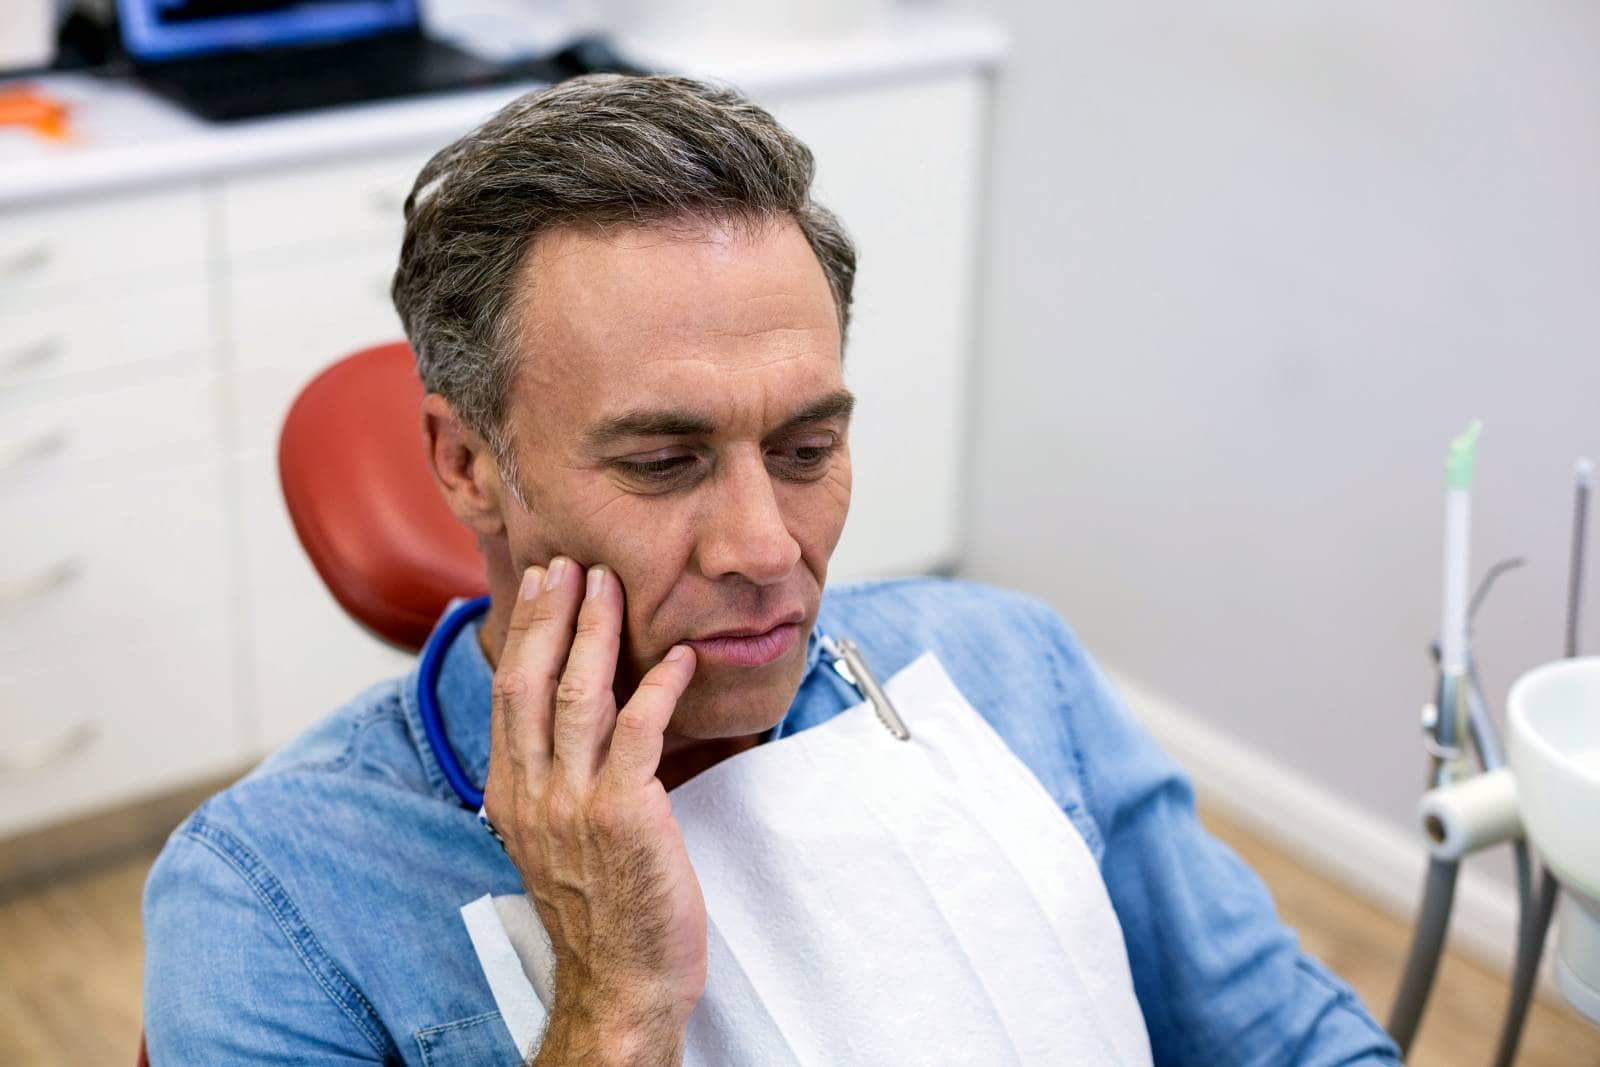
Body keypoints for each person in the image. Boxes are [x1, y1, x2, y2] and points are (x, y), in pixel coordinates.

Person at [142, 74, 1400, 1064]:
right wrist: (616, 1006)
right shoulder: (270, 896)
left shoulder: (1009, 667)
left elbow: (1291, 1041)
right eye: (661, 461)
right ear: (469, 463)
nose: (766, 547)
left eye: (806, 446)